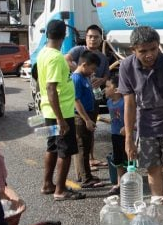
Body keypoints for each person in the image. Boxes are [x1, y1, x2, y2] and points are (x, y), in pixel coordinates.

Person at [118, 26, 163, 225]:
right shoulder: (126, 67)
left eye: (153, 49)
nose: (149, 55)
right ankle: (159, 215)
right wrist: (129, 139)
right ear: (133, 50)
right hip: (145, 126)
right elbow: (129, 104)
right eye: (143, 51)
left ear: (158, 46)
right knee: (153, 171)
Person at [37, 19, 84, 201]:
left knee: (52, 147)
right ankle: (60, 190)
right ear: (64, 36)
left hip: (49, 111)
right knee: (65, 152)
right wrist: (61, 119)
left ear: (47, 34)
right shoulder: (56, 58)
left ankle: (48, 184)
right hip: (61, 113)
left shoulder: (43, 54)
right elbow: (51, 88)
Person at [65, 25, 110, 170]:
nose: (93, 39)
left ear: (100, 39)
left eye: (96, 37)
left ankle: (91, 159)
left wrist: (101, 80)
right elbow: (66, 59)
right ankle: (82, 168)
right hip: (79, 97)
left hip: (94, 96)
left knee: (91, 127)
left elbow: (106, 75)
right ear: (86, 38)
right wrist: (81, 73)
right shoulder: (79, 50)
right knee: (81, 131)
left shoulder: (102, 57)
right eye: (90, 36)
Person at [71, 51, 106, 190]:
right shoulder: (76, 78)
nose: (93, 71)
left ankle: (85, 175)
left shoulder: (85, 77)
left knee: (86, 145)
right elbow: (76, 100)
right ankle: (85, 179)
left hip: (88, 115)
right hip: (80, 117)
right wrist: (86, 119)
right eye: (92, 68)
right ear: (84, 65)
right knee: (82, 148)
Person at [102, 77, 127, 194]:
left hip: (126, 136)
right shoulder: (109, 102)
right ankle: (119, 183)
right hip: (115, 134)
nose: (105, 89)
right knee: (118, 160)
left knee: (128, 159)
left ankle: (129, 182)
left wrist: (127, 127)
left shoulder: (125, 102)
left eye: (108, 86)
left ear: (116, 89)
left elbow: (134, 117)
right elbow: (114, 119)